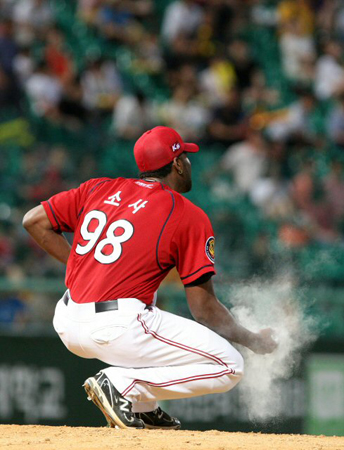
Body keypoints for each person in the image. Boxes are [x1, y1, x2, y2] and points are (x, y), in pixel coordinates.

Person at [23, 126, 277, 430]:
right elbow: (205, 311)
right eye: (185, 156)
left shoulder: (99, 187)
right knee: (230, 365)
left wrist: (83, 265)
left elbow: (33, 220)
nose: (189, 163)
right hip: (117, 325)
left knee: (151, 312)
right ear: (178, 164)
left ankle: (143, 406)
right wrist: (251, 340)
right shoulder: (187, 214)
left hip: (66, 319)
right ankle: (121, 384)